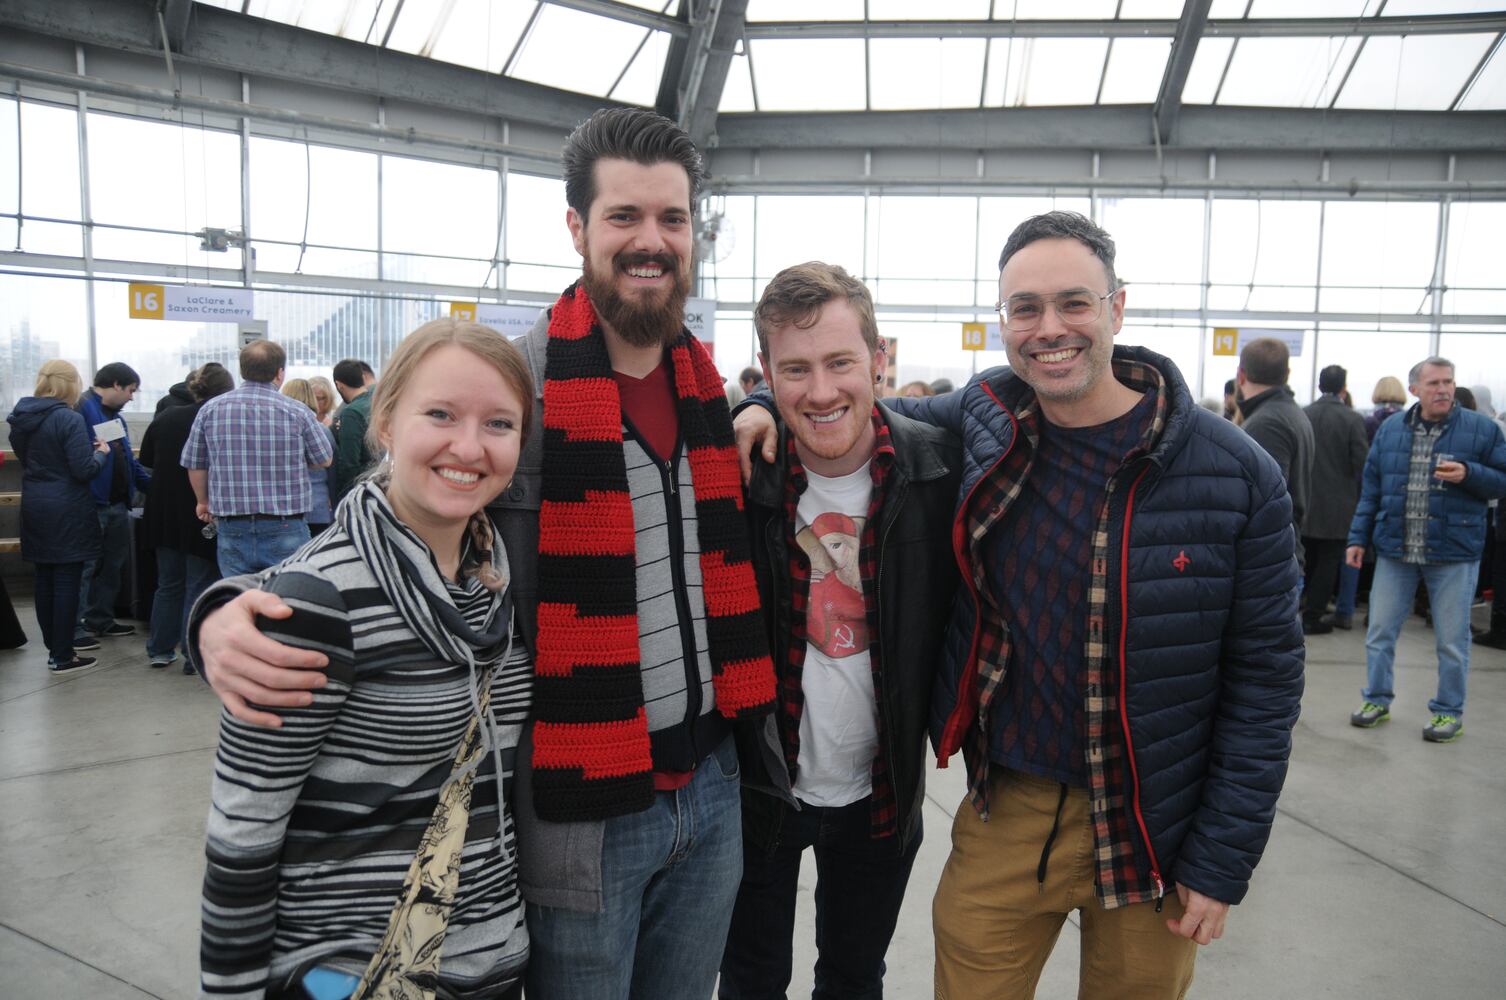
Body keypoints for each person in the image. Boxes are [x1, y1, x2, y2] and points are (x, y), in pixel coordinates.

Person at [187, 107, 776, 1000]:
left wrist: (754, 410)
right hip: (583, 806)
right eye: (624, 217)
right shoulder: (519, 385)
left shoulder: (712, 397)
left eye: (672, 218)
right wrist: (226, 602)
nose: (650, 241)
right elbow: (397, 511)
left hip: (716, 783)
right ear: (578, 228)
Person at [737, 210, 1305, 999]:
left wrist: (1222, 857)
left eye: (1073, 303)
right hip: (1010, 803)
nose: (1049, 329)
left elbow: (1266, 681)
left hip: (1155, 820)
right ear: (1003, 321)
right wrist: (758, 401)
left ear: (1117, 308)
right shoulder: (983, 418)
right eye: (1024, 309)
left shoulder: (1235, 474)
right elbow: (835, 396)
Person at [199, 319, 534, 999]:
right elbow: (243, 831)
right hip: (353, 971)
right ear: (385, 422)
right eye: (439, 414)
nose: (468, 446)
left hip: (484, 962)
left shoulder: (495, 579)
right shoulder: (317, 603)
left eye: (499, 423)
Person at [720, 263, 960, 999]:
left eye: (839, 362)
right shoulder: (738, 477)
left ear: (878, 357)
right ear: (766, 371)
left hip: (881, 791)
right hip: (759, 789)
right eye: (794, 369)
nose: (820, 392)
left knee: (855, 977)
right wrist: (752, 406)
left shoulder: (937, 474)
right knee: (751, 978)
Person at [1345, 356, 1506, 743]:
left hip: (1454, 551)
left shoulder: (1482, 430)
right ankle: (1376, 700)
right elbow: (1372, 489)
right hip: (1395, 548)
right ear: (1414, 389)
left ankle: (1448, 712)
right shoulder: (1390, 431)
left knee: (1451, 641)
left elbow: (1502, 481)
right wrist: (1357, 538)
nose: (1444, 390)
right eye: (1434, 383)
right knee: (1380, 632)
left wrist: (1470, 474)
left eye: (1449, 382)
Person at [182, 340, 334, 577]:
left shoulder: (211, 410)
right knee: (285, 600)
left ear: (241, 370)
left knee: (238, 600)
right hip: (286, 525)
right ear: (279, 373)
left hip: (232, 526)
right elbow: (323, 460)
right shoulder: (298, 411)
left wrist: (203, 501)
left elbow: (195, 463)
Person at [5, 360, 109, 671]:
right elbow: (83, 470)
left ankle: (55, 649)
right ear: (71, 384)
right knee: (66, 581)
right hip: (66, 507)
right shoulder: (68, 418)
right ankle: (63, 655)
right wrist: (101, 453)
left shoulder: (22, 418)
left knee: (44, 580)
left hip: (35, 502)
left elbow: (29, 460)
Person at [139, 363, 233, 671]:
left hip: (163, 511)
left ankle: (159, 649)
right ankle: (193, 654)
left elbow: (148, 460)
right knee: (200, 584)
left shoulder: (166, 417)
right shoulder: (220, 418)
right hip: (202, 511)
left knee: (168, 583)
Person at [76, 361, 151, 644]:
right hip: (92, 504)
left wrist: (153, 487)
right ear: (116, 385)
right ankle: (76, 627)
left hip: (118, 504)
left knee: (112, 565)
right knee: (86, 568)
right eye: (131, 390)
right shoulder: (82, 409)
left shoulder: (114, 418)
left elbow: (128, 462)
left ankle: (101, 619)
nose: (132, 397)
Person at [1236, 337, 1314, 573]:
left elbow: (1266, 502)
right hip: (1284, 553)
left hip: (1269, 563)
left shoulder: (1266, 424)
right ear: (1287, 373)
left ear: (1241, 375)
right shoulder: (1290, 413)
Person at [1301, 365, 1369, 635]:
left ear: (1319, 386)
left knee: (1305, 558)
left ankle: (1298, 605)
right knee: (1329, 561)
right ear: (1344, 388)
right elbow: (1361, 463)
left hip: (1305, 499)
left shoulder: (1303, 414)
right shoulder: (1352, 419)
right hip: (1339, 505)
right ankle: (1313, 615)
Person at [280, 377, 336, 535]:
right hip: (318, 507)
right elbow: (332, 467)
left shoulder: (279, 429)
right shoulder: (321, 430)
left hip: (288, 509)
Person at [332, 357, 377, 500]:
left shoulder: (351, 413)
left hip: (358, 491)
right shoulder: (375, 404)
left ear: (339, 385)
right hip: (377, 482)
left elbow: (349, 464)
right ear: (363, 377)